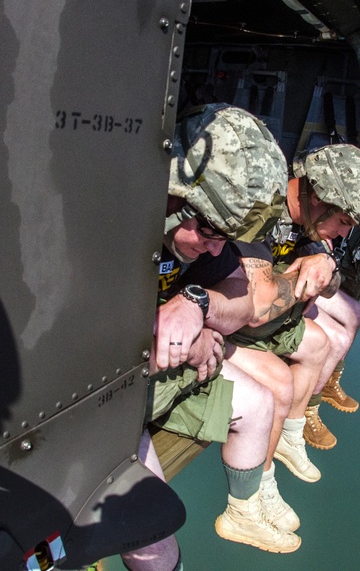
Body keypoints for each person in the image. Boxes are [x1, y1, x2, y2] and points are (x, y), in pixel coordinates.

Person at [122, 104, 299, 570]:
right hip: (106, 400)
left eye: (227, 236)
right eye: (210, 232)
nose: (215, 247)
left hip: (154, 373)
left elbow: (244, 300)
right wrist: (185, 334)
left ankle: (244, 509)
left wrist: (197, 303)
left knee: (261, 402)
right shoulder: (108, 230)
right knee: (157, 543)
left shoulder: (201, 231)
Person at [228, 143, 360, 478]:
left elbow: (331, 282)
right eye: (344, 220)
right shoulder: (259, 211)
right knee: (310, 348)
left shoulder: (308, 220)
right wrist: (307, 274)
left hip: (256, 309)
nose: (345, 232)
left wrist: (325, 262)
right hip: (224, 315)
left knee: (337, 328)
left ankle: (299, 420)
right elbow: (256, 307)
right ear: (317, 195)